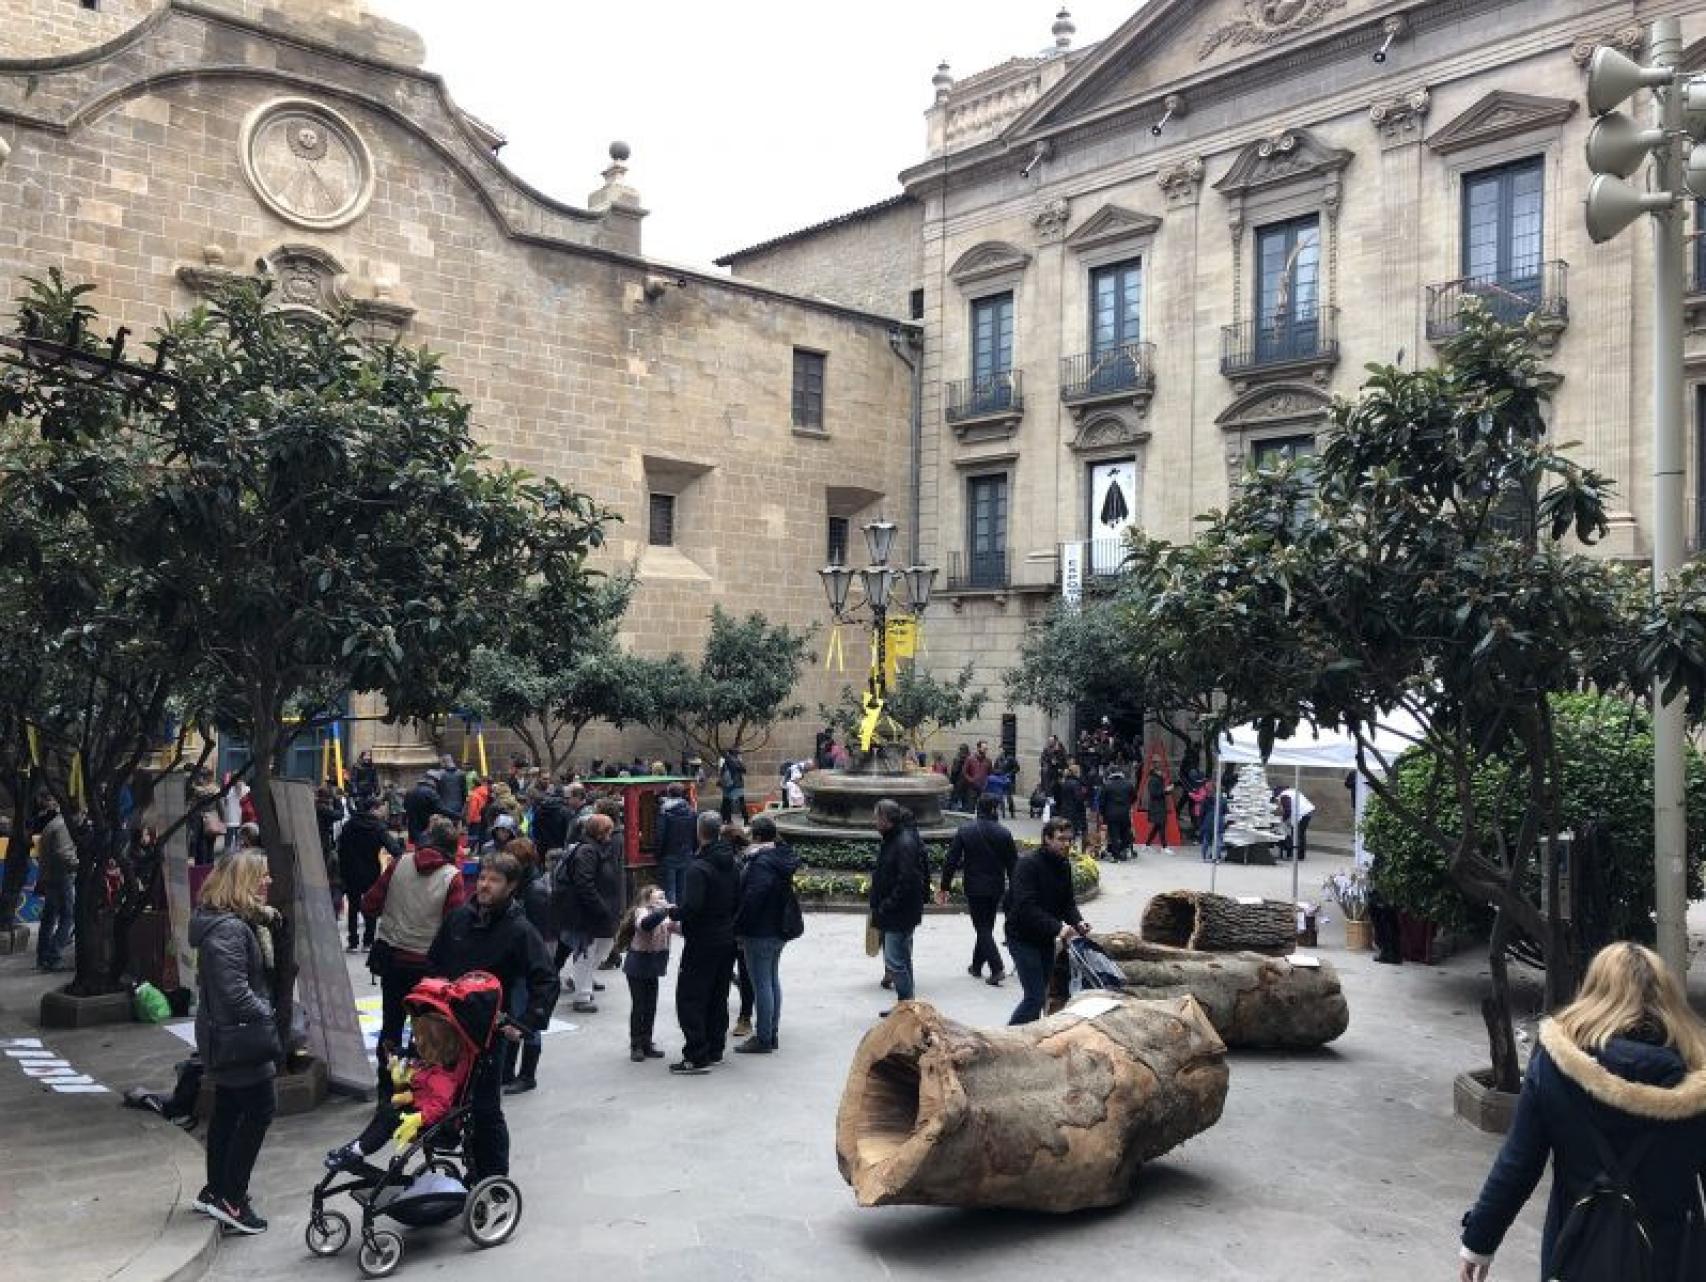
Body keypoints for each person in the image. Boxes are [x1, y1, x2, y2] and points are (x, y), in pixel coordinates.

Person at [1458, 942, 1706, 1281]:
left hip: (1575, 1254)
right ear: (1670, 1000)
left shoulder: (1555, 1069)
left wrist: (1479, 1243)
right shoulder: (1696, 1087)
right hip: (1671, 1263)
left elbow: (1518, 1165)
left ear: (1593, 992)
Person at [427, 850, 557, 1179]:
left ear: (511, 886)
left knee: (485, 1108)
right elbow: (434, 961)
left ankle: (493, 1177)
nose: (484, 885)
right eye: (483, 877)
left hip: (488, 1033)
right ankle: (464, 1162)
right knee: (443, 1096)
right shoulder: (459, 918)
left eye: (494, 880)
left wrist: (526, 1022)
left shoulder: (519, 929)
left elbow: (545, 978)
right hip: (447, 1025)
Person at [190, 850, 281, 1235]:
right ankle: (232, 1198)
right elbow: (234, 993)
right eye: (262, 876)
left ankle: (216, 1190)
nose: (268, 881)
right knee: (259, 1108)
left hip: (227, 1034)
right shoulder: (228, 929)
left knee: (228, 1109)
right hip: (237, 1036)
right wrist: (268, 1015)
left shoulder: (229, 922)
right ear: (244, 882)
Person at [362, 816, 468, 1067]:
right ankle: (417, 1081)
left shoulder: (399, 863)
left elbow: (370, 904)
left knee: (391, 1024)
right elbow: (453, 927)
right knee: (424, 1028)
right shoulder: (452, 877)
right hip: (426, 964)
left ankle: (386, 1081)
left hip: (391, 957)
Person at [324, 1006, 471, 1171]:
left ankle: (358, 1150)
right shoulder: (430, 1066)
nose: (415, 1046)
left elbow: (440, 1105)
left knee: (388, 1119)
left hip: (428, 1119)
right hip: (417, 1106)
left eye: (420, 1043)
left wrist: (420, 1117)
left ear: (434, 1049)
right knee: (385, 1111)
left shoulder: (443, 1078)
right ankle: (356, 1147)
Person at [668, 811, 740, 1074]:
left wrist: (673, 913)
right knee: (718, 994)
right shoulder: (733, 862)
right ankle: (715, 1048)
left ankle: (697, 1055)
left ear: (699, 832)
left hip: (703, 939)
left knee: (691, 996)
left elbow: (693, 907)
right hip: (726, 937)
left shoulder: (698, 868)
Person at [1005, 818, 1090, 1025]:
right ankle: (1008, 1035)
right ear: (1047, 839)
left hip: (1046, 938)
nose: (1066, 844)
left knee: (1042, 995)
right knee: (1034, 997)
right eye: (1061, 839)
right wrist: (1058, 927)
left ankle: (1030, 1034)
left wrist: (1078, 922)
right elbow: (1025, 907)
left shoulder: (1064, 865)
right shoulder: (1027, 865)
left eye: (1069, 840)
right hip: (1022, 937)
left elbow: (1067, 902)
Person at [733, 814, 800, 1054]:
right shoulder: (781, 856)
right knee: (770, 980)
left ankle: (763, 1038)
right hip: (778, 927)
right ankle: (771, 1032)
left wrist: (739, 927)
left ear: (758, 836)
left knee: (762, 983)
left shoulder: (761, 862)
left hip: (761, 930)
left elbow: (754, 898)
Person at [938, 795, 1017, 986]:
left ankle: (996, 968)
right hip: (996, 886)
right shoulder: (1004, 833)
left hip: (974, 886)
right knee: (986, 926)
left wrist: (944, 886)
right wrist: (1016, 890)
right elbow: (1013, 865)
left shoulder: (966, 830)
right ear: (994, 810)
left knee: (982, 927)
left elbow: (951, 860)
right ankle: (976, 965)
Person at [554, 813, 623, 1015]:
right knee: (587, 950)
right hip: (588, 912)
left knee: (603, 946)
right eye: (609, 830)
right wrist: (600, 907)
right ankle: (582, 995)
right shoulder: (587, 851)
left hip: (600, 910)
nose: (612, 834)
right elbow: (584, 884)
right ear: (600, 832)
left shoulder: (597, 848)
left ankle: (579, 979)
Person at [501, 837, 553, 1093]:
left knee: (528, 1020)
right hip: (517, 966)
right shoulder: (523, 886)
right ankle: (508, 1071)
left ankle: (527, 1075)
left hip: (528, 968)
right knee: (514, 1017)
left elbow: (539, 937)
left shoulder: (534, 892)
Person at [870, 798, 928, 1015]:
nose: (874, 822)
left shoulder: (903, 842)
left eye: (877, 818)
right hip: (898, 911)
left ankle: (906, 1006)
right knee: (902, 958)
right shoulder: (895, 838)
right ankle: (908, 1007)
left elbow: (907, 881)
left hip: (899, 913)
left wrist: (887, 904)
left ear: (886, 819)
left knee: (894, 962)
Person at [336, 796, 400, 953]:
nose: (383, 812)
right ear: (373, 809)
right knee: (371, 905)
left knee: (353, 906)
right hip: (371, 871)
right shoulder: (377, 828)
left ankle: (353, 941)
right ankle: (368, 941)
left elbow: (341, 849)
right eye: (380, 809)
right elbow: (394, 848)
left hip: (351, 871)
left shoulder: (349, 825)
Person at [623, 884, 679, 1062]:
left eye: (664, 896)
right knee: (639, 1005)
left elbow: (679, 928)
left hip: (653, 967)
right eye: (659, 896)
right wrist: (664, 911)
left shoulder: (663, 916)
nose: (663, 899)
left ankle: (647, 1042)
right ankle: (636, 1045)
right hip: (637, 966)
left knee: (651, 1006)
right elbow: (645, 925)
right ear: (648, 898)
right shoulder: (642, 912)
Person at [32, 795, 78, 973]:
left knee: (49, 918)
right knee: (68, 916)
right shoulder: (63, 826)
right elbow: (64, 854)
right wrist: (80, 864)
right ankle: (54, 955)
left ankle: (43, 957)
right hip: (61, 877)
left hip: (50, 876)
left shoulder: (53, 823)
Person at [655, 783, 697, 907]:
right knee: (682, 891)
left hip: (669, 854)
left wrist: (658, 854)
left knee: (669, 891)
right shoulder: (691, 811)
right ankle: (681, 916)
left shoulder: (664, 812)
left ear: (669, 793)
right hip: (686, 853)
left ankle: (671, 916)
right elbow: (695, 834)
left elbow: (660, 835)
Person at [1099, 767, 1137, 862]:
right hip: (1125, 813)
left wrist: (1102, 813)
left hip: (1111, 814)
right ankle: (1123, 851)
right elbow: (1134, 797)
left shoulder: (1107, 785)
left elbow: (1102, 802)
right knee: (1125, 833)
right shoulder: (1128, 784)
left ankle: (1116, 855)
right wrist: (1127, 804)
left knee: (1114, 835)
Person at [1275, 785, 1315, 861]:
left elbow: (1287, 810)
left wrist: (1283, 819)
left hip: (1303, 813)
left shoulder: (1284, 796)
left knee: (1297, 833)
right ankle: (1300, 855)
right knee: (1300, 833)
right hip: (1308, 811)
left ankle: (1297, 855)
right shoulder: (1292, 791)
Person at [1053, 763, 1088, 843]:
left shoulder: (1065, 782)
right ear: (1076, 772)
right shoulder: (1075, 784)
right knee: (1072, 833)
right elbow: (1078, 799)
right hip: (1074, 812)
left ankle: (1066, 846)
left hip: (1065, 810)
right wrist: (1083, 796)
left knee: (1066, 832)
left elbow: (1059, 797)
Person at [433, 753, 467, 821]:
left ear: (443, 763)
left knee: (446, 825)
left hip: (444, 807)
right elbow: (464, 792)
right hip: (458, 806)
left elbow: (436, 792)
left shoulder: (439, 774)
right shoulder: (461, 773)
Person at [718, 748, 747, 823]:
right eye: (739, 753)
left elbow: (721, 772)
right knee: (741, 802)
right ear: (735, 754)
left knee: (727, 802)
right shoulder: (736, 761)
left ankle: (727, 819)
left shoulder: (725, 760)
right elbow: (744, 770)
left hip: (727, 784)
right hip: (737, 784)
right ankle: (746, 820)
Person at [962, 741, 993, 806]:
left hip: (983, 788)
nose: (985, 750)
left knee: (982, 807)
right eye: (984, 748)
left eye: (986, 749)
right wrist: (971, 780)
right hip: (972, 788)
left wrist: (987, 782)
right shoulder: (970, 759)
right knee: (971, 806)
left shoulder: (988, 761)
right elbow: (964, 772)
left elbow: (990, 774)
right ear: (978, 748)